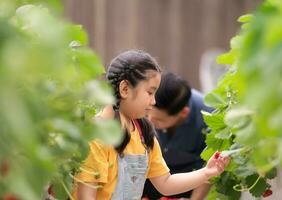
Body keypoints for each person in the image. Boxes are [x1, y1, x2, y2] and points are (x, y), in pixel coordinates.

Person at [72, 50, 229, 200]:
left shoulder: (143, 134)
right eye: (150, 92)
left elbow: (165, 183)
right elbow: (86, 197)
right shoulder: (96, 136)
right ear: (125, 89)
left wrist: (207, 172)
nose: (153, 101)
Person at [143, 72, 214, 200]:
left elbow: (207, 171)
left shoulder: (209, 119)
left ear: (183, 113)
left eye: (159, 120)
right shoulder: (142, 103)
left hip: (186, 184)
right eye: (148, 114)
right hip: (148, 180)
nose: (149, 122)